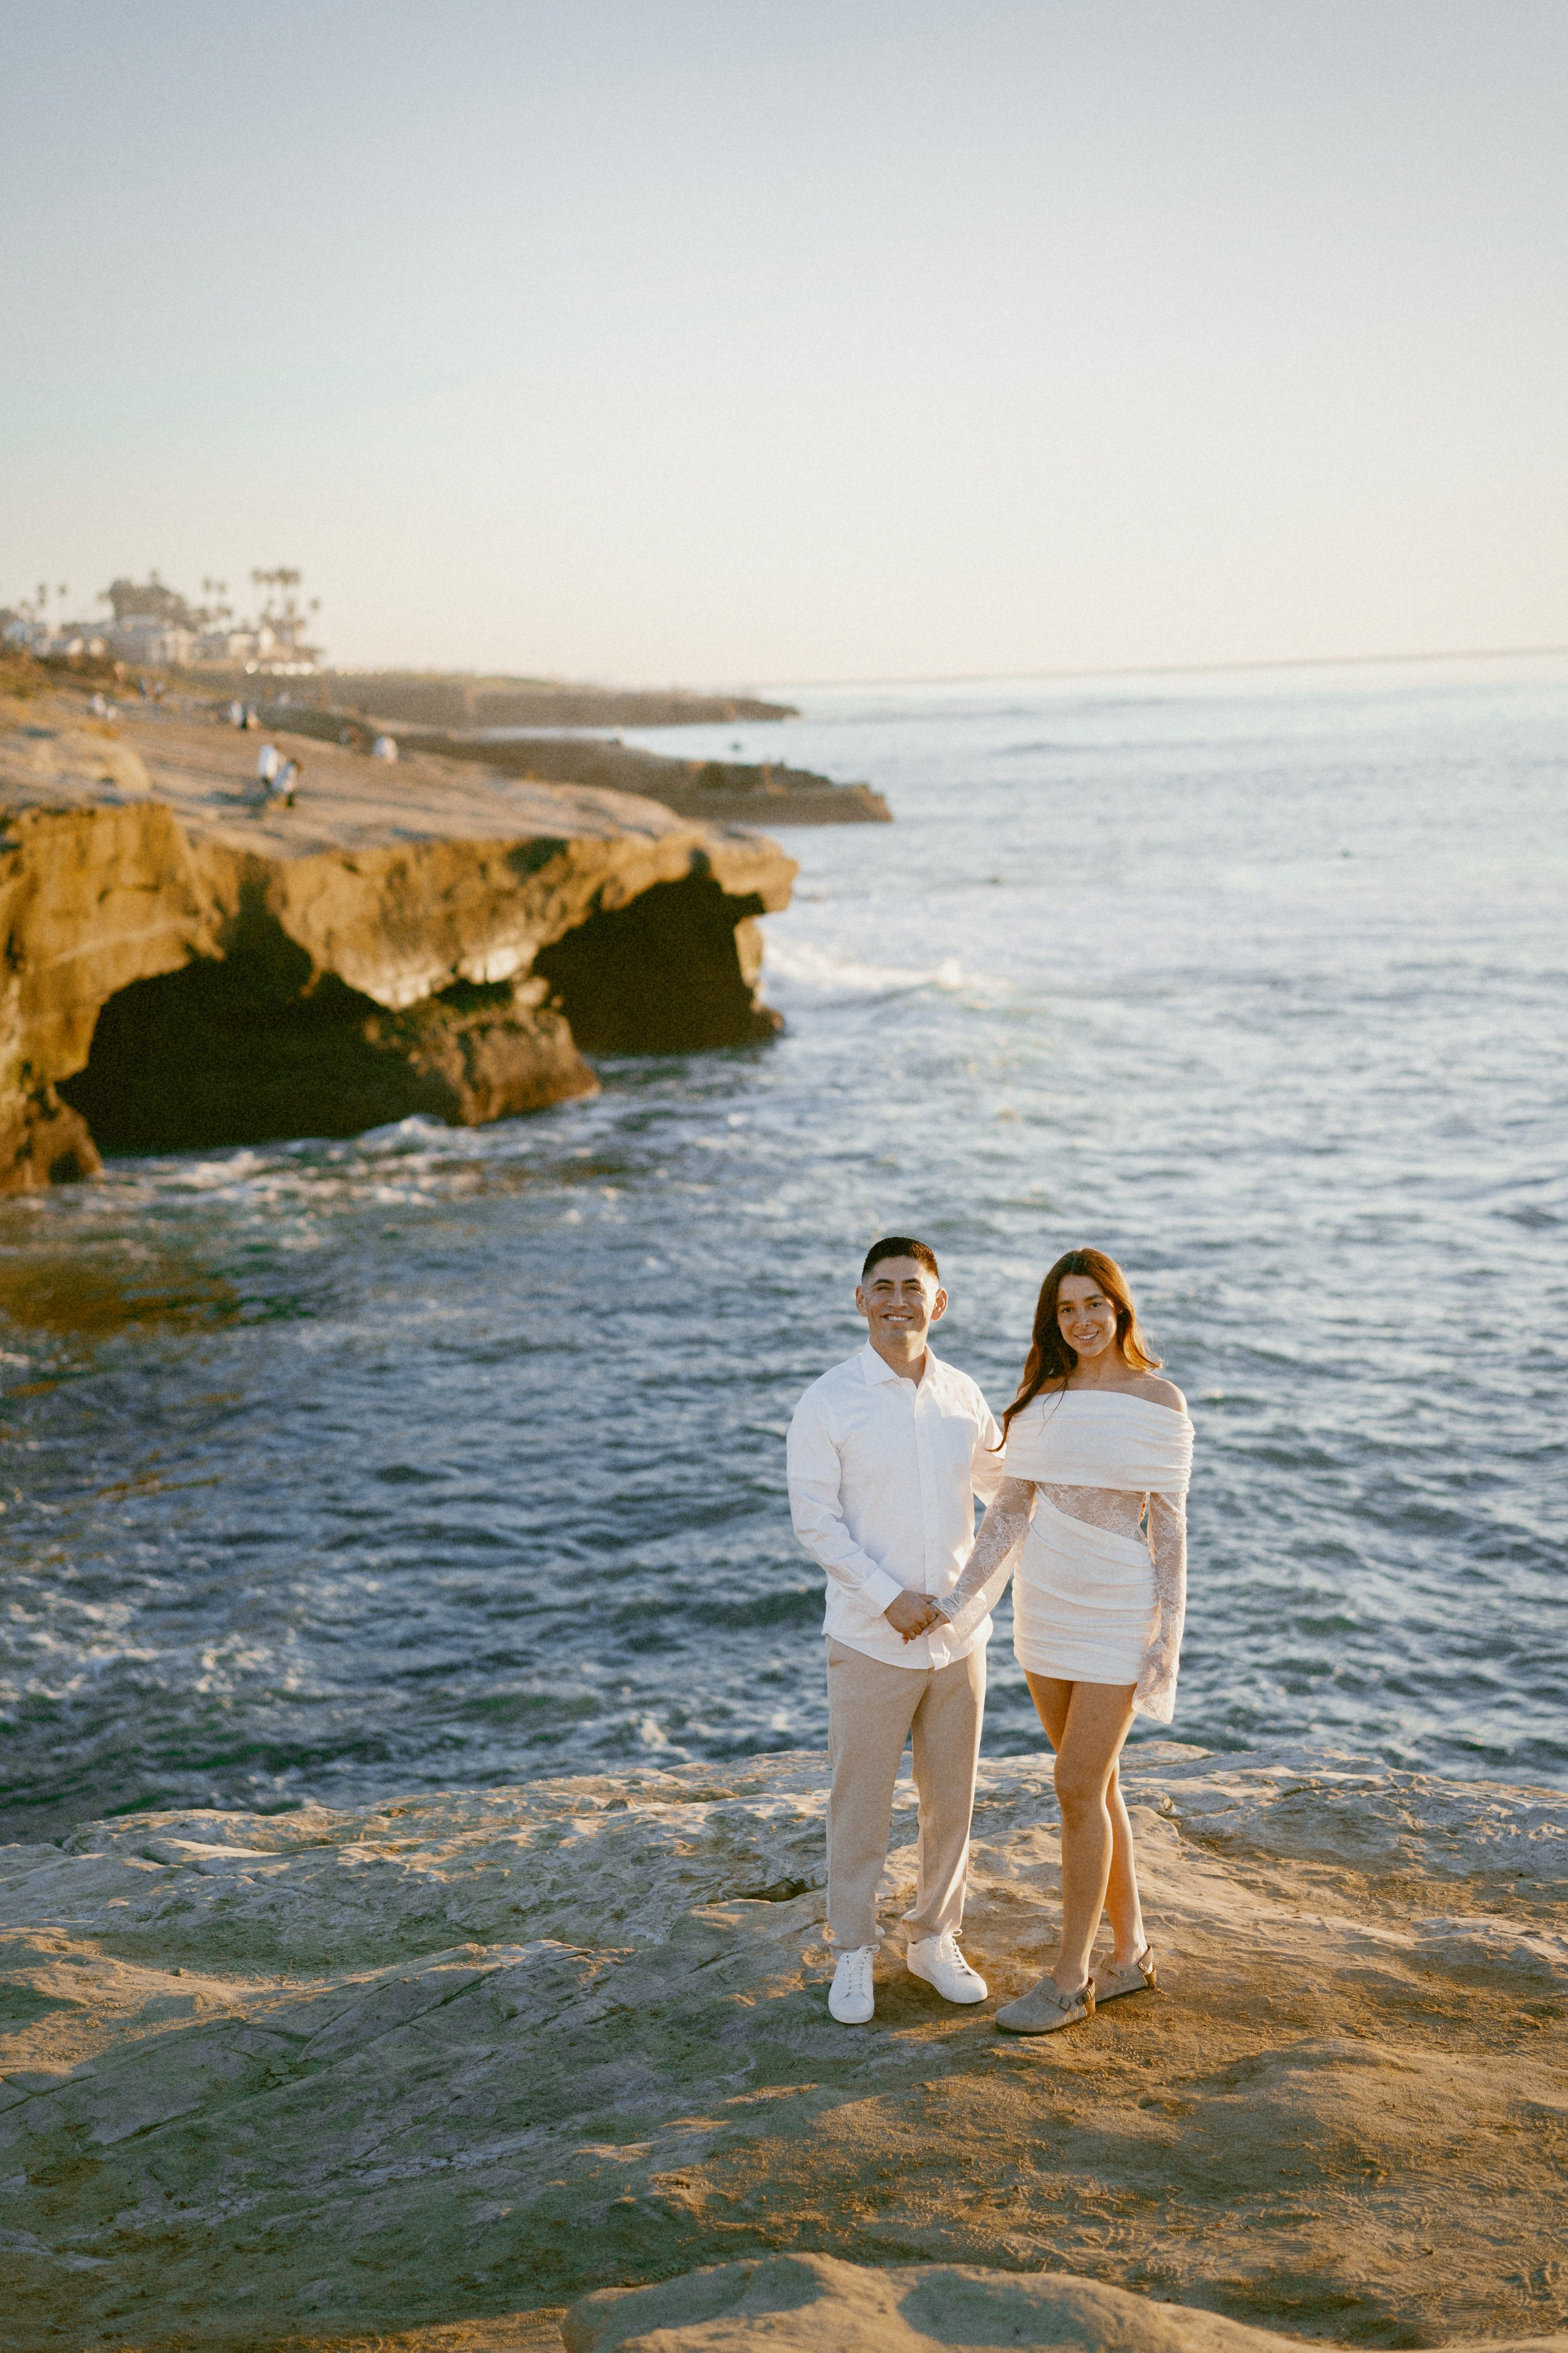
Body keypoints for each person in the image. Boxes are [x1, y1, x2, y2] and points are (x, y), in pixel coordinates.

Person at [933, 1247, 1193, 2036]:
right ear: (1054, 1320)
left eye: (1093, 1305)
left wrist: (1167, 1638)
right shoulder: (1042, 1398)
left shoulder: (1159, 1399)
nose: (1081, 1321)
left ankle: (1069, 1980)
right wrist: (957, 1599)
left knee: (1075, 1783)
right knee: (1097, 1787)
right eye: (1066, 1309)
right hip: (1044, 1606)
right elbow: (1009, 1510)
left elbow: (1171, 1530)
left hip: (1118, 1607)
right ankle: (1131, 1953)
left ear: (1119, 1308)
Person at [787, 1236, 1005, 2026]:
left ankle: (933, 1937)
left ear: (937, 1302)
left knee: (952, 1802)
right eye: (882, 1287)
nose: (897, 1301)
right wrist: (887, 1598)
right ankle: (853, 1948)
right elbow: (814, 1520)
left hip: (957, 1639)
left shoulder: (963, 1395)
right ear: (860, 1300)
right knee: (861, 1802)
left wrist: (969, 1601)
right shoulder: (828, 1401)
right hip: (868, 1637)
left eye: (912, 1287)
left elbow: (1007, 1496)